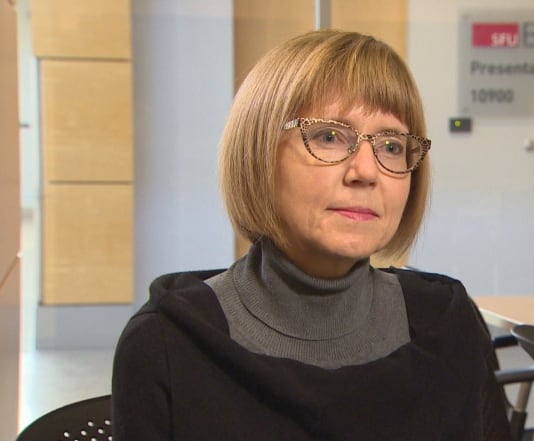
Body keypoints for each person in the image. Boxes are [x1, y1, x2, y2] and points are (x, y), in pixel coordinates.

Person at [112, 29, 511, 441]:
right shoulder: (168, 344)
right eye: (329, 136)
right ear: (259, 150)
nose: (366, 172)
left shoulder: (446, 324)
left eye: (391, 146)